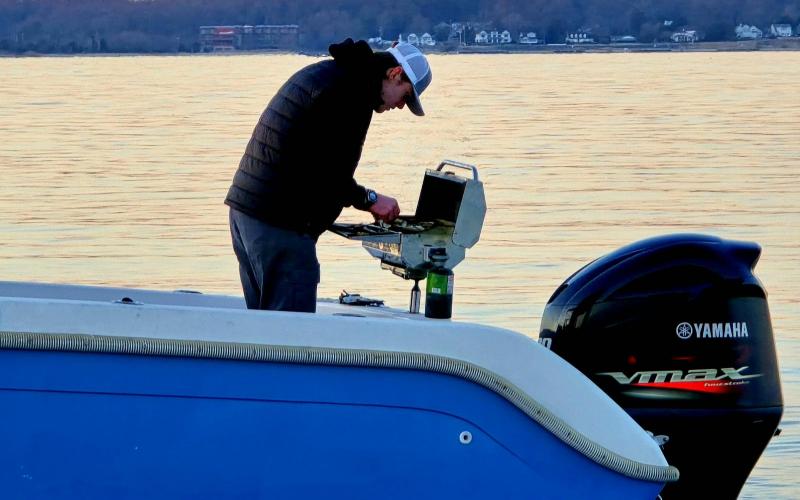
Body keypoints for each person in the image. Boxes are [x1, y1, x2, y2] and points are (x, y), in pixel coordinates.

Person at [225, 38, 432, 313]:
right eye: (406, 96)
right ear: (394, 74)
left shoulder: (334, 74)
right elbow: (324, 172)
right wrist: (370, 199)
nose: (401, 106)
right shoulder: (351, 92)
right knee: (290, 339)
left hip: (248, 213)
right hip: (280, 225)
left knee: (266, 331)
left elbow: (313, 161)